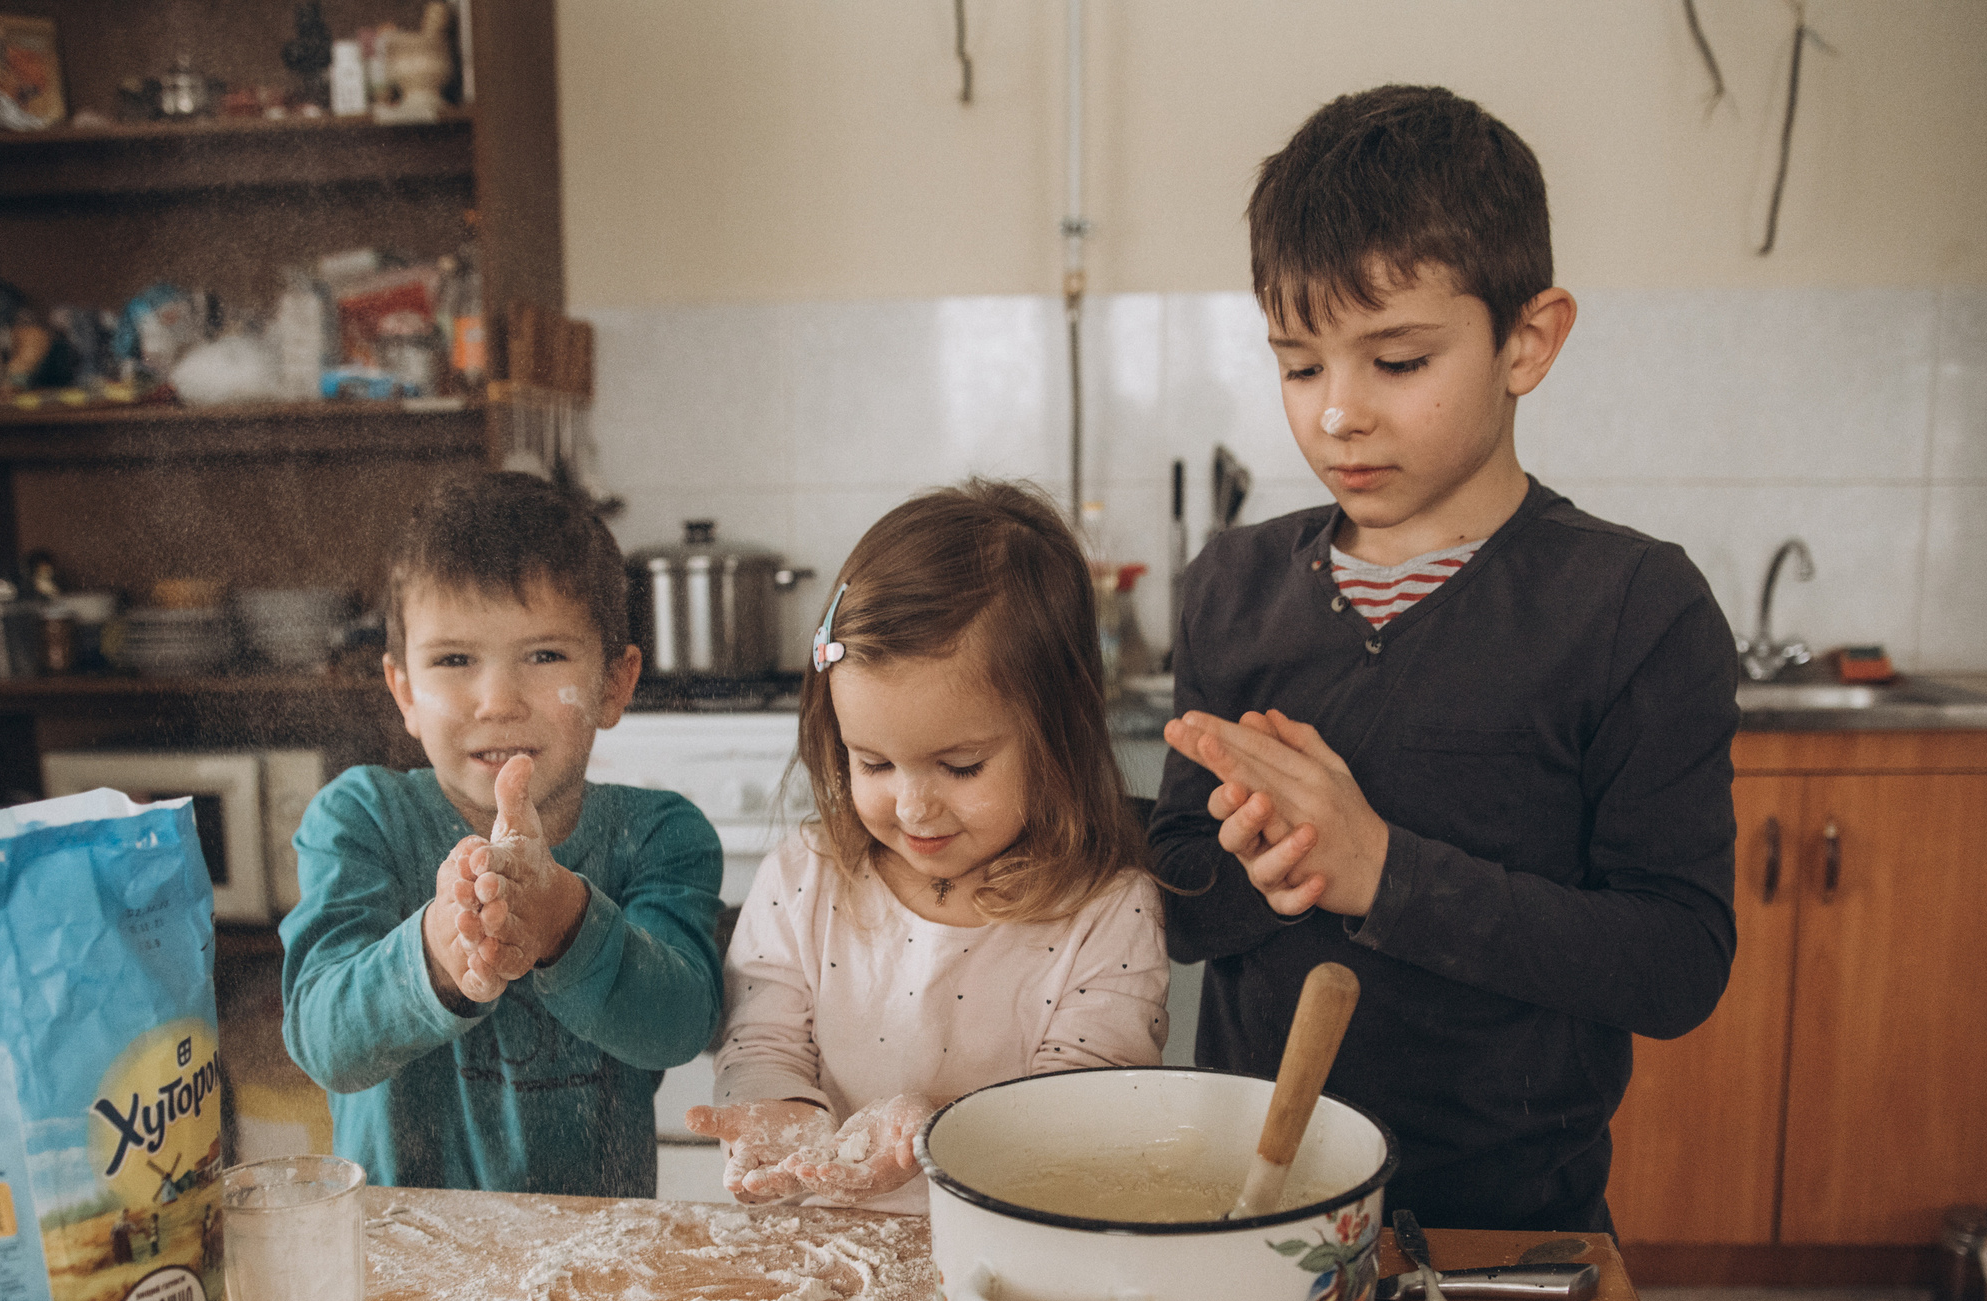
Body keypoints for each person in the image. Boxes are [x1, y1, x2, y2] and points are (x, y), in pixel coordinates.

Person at [1150, 86, 1739, 1234]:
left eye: (1398, 359)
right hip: (1253, 1211)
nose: (1337, 415)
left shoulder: (1632, 606)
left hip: (1510, 1225)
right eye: (1299, 366)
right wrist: (1252, 869)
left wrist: (1382, 870)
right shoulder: (1231, 585)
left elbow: (1675, 961)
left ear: (1528, 340)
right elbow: (1180, 900)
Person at [689, 481, 1169, 1213]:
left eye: (961, 766)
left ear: (1060, 735)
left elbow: (1081, 1114)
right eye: (874, 763)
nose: (912, 806)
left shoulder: (1108, 911)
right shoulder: (805, 877)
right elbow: (763, 1045)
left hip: (1014, 1253)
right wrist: (780, 1116)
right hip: (829, 1250)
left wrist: (940, 1128)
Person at [281, 472, 725, 1195]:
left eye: (544, 655)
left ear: (615, 683)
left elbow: (680, 1024)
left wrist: (566, 922)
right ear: (404, 692)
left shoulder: (658, 836)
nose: (497, 701)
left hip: (596, 1248)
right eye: (454, 660)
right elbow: (325, 1043)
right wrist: (437, 953)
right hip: (403, 1245)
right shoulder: (361, 820)